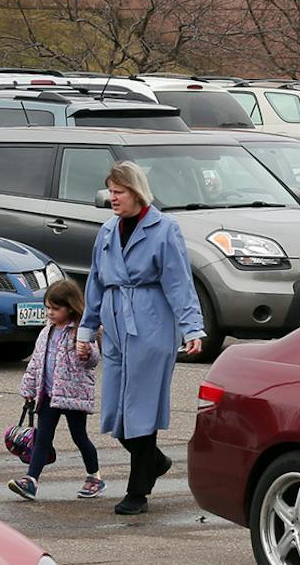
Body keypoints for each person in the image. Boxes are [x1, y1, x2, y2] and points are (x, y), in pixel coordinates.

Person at [77, 160, 203, 517]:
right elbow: (96, 282)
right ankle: (155, 460)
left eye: (118, 192)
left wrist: (192, 326)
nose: (112, 198)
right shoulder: (106, 231)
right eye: (110, 192)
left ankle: (138, 490)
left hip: (152, 325)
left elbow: (179, 282)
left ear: (135, 192)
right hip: (115, 327)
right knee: (116, 412)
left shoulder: (165, 229)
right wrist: (86, 330)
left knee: (141, 409)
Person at [11, 278, 104, 502]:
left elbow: (93, 360)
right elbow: (35, 362)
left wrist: (86, 352)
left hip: (73, 396)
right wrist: (29, 387)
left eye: (56, 308)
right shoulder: (46, 332)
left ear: (70, 307)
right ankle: (31, 481)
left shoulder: (81, 332)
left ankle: (95, 476)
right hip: (48, 394)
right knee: (42, 439)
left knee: (79, 437)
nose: (50, 313)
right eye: (48, 308)